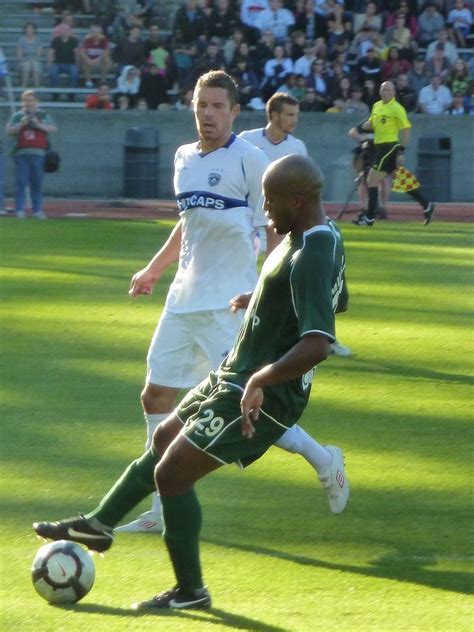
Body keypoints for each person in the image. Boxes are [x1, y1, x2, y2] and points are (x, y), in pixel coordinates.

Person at [33, 154, 350, 610]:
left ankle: (191, 592)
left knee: (172, 474)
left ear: (297, 201)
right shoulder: (319, 234)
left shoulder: (314, 250)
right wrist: (263, 297)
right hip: (232, 374)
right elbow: (334, 298)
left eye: (269, 200)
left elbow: (318, 343)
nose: (264, 209)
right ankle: (99, 525)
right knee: (164, 437)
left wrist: (261, 378)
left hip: (262, 392)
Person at [114, 72, 349, 535]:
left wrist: (270, 291)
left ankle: (324, 459)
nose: (208, 114)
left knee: (245, 401)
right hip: (183, 299)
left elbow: (279, 227)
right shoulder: (183, 157)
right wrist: (155, 269)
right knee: (155, 395)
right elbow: (188, 222)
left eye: (217, 106)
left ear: (234, 111)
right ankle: (159, 511)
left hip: (232, 303)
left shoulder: (251, 159)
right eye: (201, 105)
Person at [239, 92, 351, 357]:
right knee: (250, 281)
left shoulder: (297, 147)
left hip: (281, 225)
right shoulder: (247, 141)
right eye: (289, 114)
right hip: (250, 225)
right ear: (273, 115)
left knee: (298, 281)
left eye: (296, 115)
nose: (294, 120)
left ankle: (321, 333)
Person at [352, 81, 435, 227]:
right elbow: (373, 122)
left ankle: (369, 218)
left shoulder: (397, 108)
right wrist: (363, 126)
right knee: (400, 178)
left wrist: (401, 151)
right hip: (380, 147)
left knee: (371, 180)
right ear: (380, 91)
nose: (385, 92)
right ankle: (426, 205)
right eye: (383, 89)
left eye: (388, 90)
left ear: (394, 92)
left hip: (389, 146)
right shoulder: (377, 106)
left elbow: (406, 130)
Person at [5, 90, 57, 220]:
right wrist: (21, 124)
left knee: (37, 184)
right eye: (26, 100)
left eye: (31, 100)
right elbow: (8, 130)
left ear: (36, 101)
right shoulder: (18, 115)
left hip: (39, 153)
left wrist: (38, 124)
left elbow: (53, 128)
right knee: (21, 183)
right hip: (21, 153)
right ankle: (20, 210)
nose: (29, 103)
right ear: (23, 102)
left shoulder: (43, 114)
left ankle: (37, 210)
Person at [79, 24, 112, 88]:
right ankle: (88, 81)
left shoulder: (104, 40)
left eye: (97, 32)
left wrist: (97, 60)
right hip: (89, 63)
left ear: (100, 33)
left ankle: (102, 80)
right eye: (94, 32)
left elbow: (107, 51)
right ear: (91, 33)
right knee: (83, 60)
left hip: (99, 62)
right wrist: (88, 60)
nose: (96, 34)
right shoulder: (87, 40)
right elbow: (82, 52)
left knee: (107, 59)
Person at [16, 23, 43, 88]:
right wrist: (25, 60)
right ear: (25, 30)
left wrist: (34, 60)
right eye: (28, 28)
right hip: (24, 59)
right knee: (26, 65)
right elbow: (19, 54)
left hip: (35, 59)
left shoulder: (38, 40)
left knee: (35, 65)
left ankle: (37, 86)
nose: (29, 30)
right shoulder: (20, 40)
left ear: (34, 30)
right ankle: (24, 85)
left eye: (31, 28)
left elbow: (39, 53)